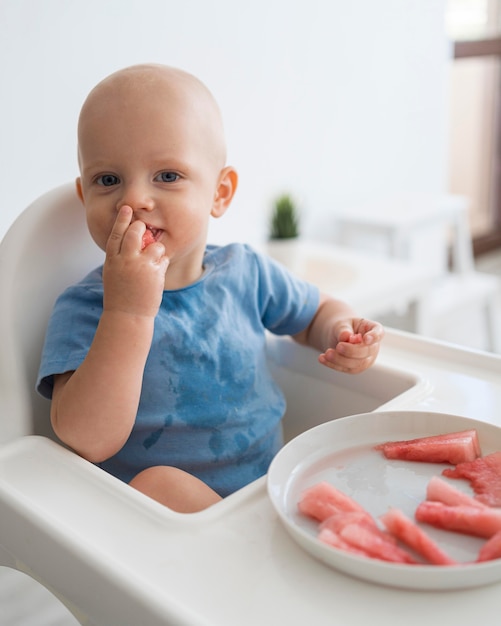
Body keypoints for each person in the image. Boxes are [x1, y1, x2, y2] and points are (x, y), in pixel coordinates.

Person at [37, 64, 384, 513]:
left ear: (220, 193)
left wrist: (341, 331)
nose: (134, 199)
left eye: (166, 175)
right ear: (86, 197)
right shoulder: (86, 308)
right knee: (158, 485)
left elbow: (313, 314)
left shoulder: (247, 270)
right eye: (109, 180)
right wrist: (127, 313)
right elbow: (87, 440)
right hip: (175, 530)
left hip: (271, 493)